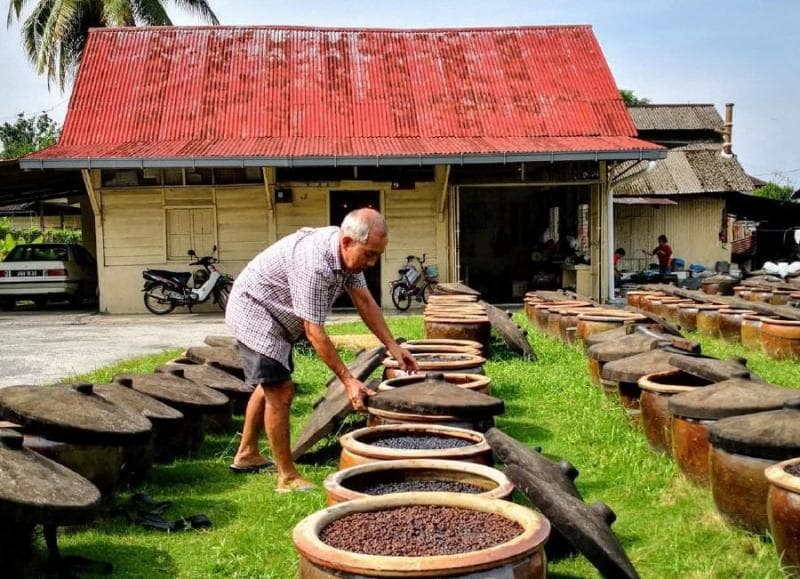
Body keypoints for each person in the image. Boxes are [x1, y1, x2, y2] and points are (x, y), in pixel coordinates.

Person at [225, 208, 419, 492]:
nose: (373, 262)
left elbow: (364, 301)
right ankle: (287, 477)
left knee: (268, 385)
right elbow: (313, 331)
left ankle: (246, 454)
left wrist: (393, 346)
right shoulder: (315, 263)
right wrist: (348, 381)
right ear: (347, 242)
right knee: (280, 390)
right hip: (255, 311)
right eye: (369, 254)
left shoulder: (347, 259)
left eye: (377, 255)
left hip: (277, 313)